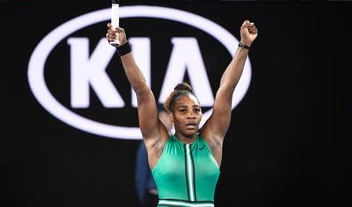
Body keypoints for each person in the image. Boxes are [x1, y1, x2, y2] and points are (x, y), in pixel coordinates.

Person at [106, 20, 258, 206]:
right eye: (183, 110)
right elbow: (142, 90)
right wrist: (123, 47)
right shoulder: (158, 144)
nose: (191, 115)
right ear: (172, 117)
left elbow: (227, 89)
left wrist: (244, 45)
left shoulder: (212, 141)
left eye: (196, 109)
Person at [135, 106, 172, 207]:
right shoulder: (148, 143)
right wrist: (144, 198)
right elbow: (141, 172)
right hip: (154, 197)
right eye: (167, 115)